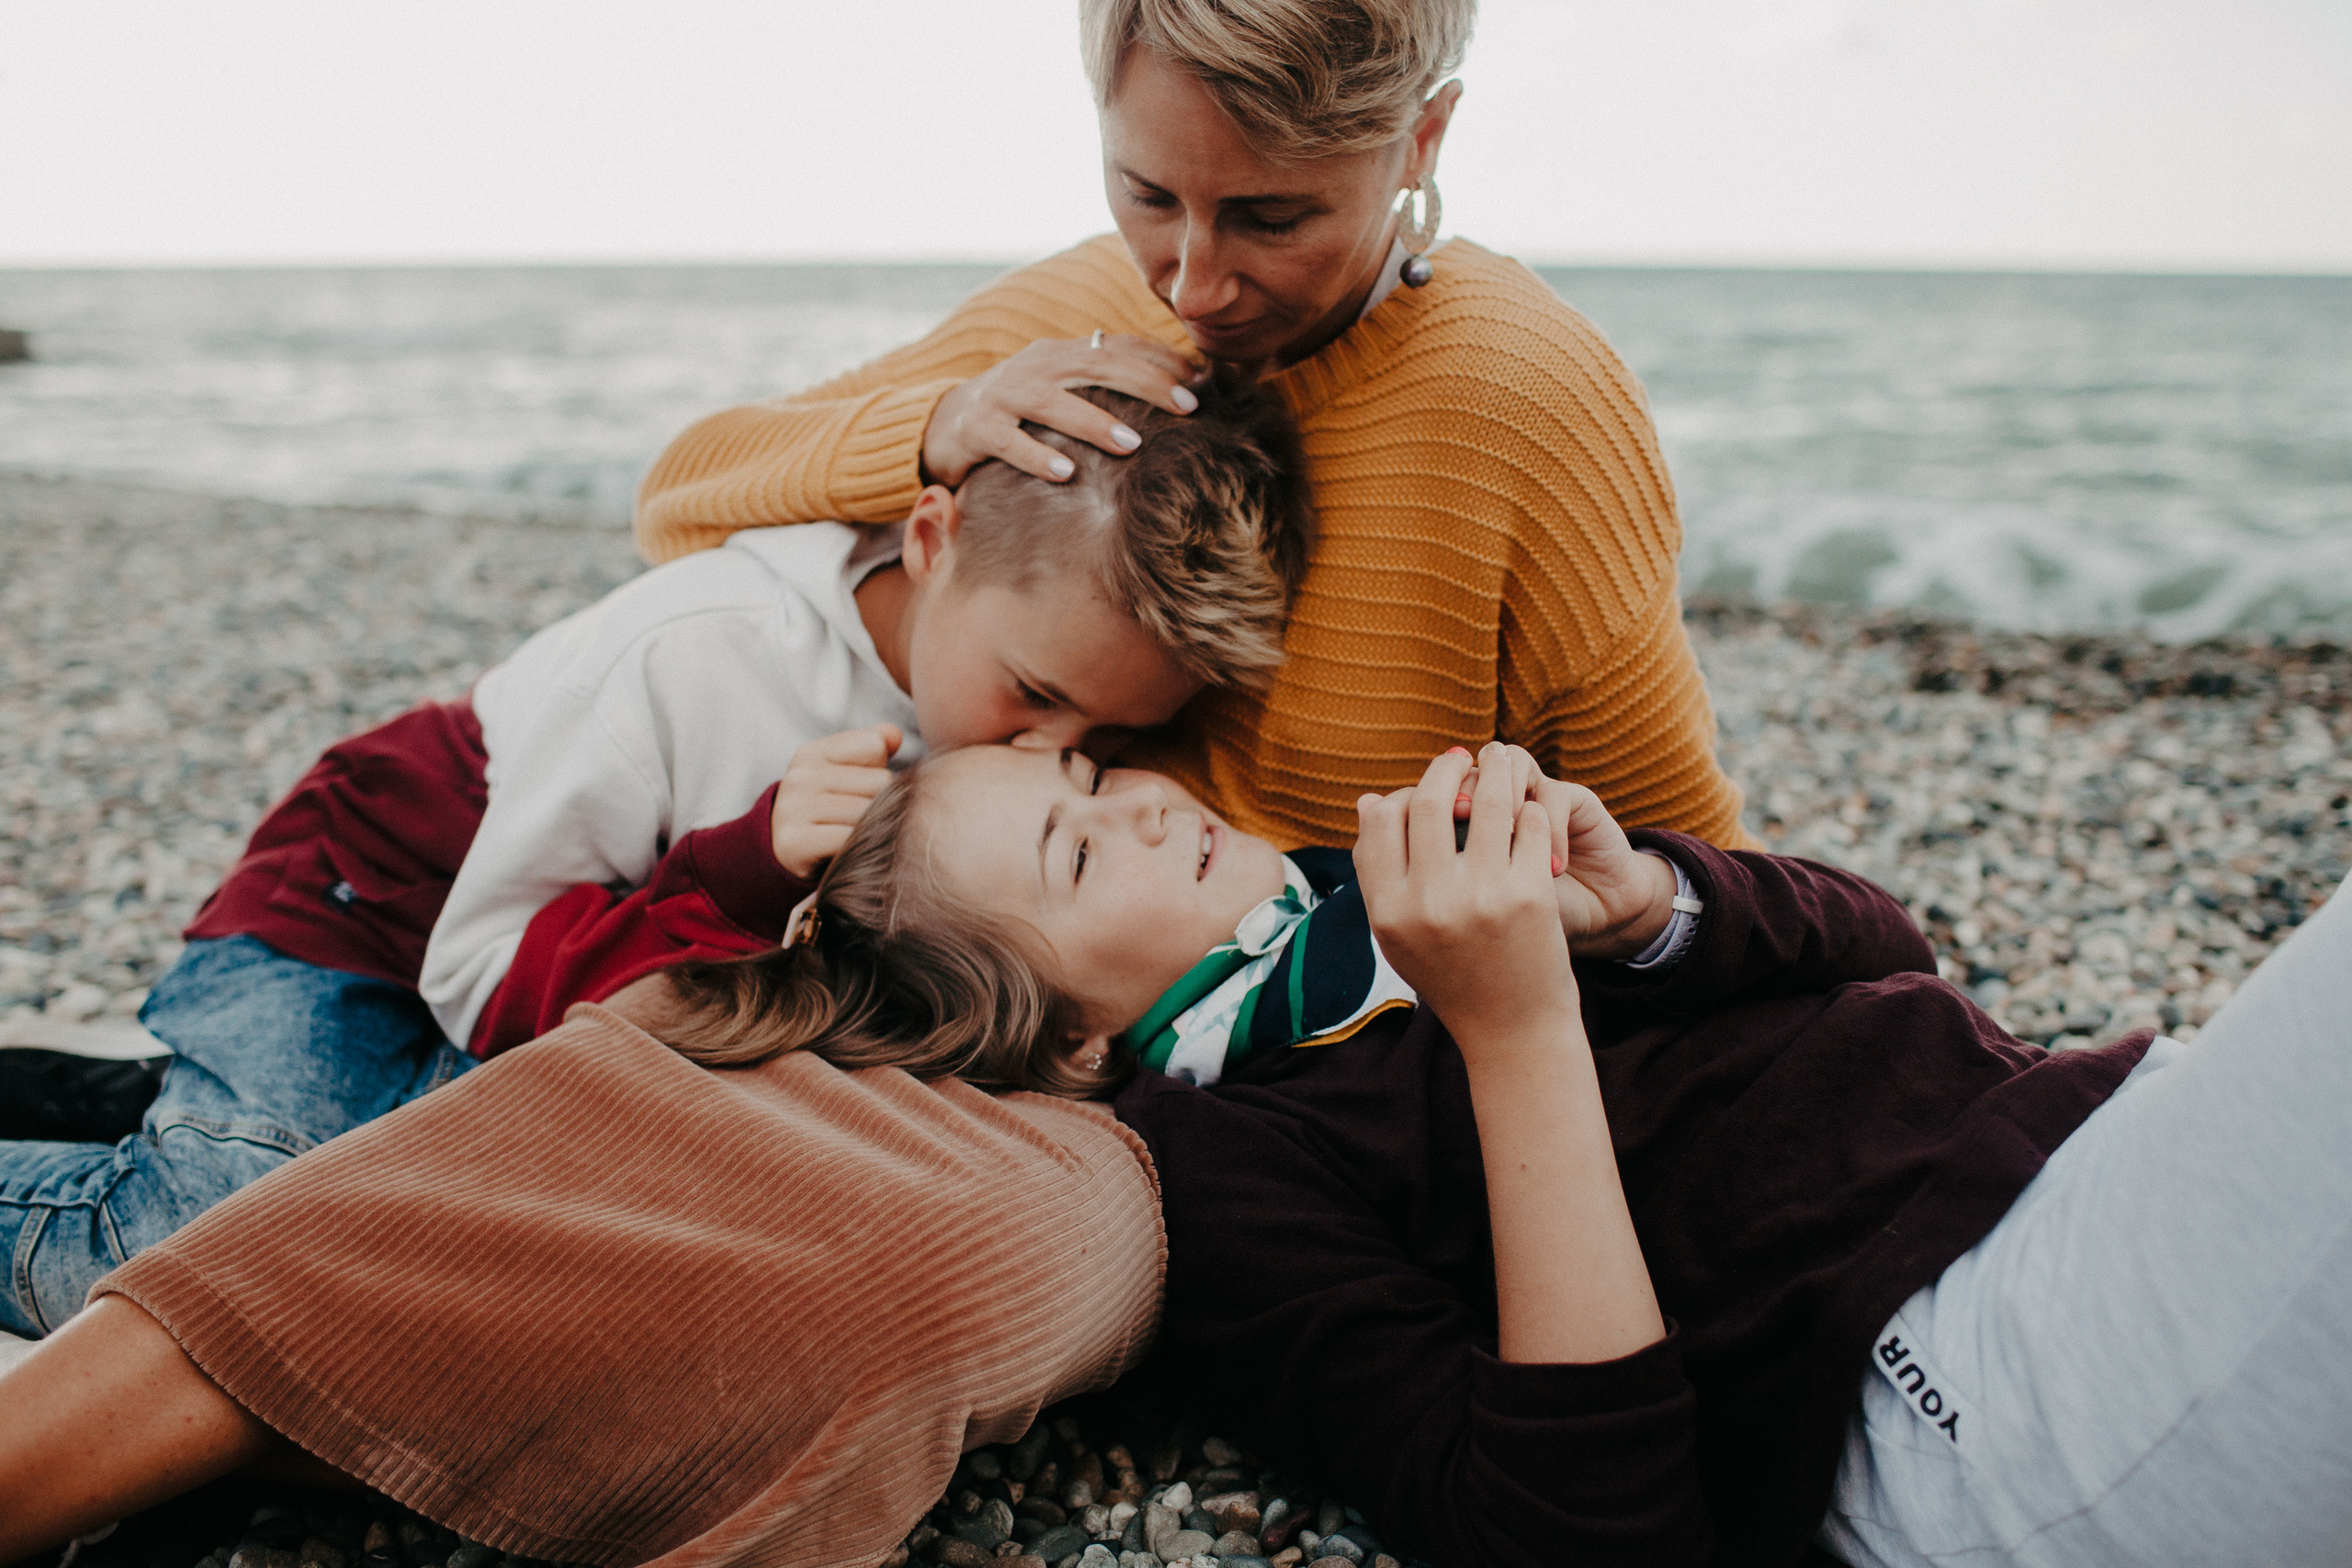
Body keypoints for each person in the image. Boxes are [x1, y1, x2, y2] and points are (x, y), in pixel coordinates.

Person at [0, 382, 1309, 1339]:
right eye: (1036, 694)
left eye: (1106, 743)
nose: (1049, 751)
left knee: (423, 1195)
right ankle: (167, 1128)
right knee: (214, 1236)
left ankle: (123, 1093)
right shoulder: (698, 658)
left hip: (558, 976)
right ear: (928, 539)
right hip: (364, 917)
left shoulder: (995, 672)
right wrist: (743, 868)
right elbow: (480, 975)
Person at [633, 0, 1759, 857]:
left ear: (1422, 137)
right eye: (1148, 195)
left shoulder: (1526, 401)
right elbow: (677, 505)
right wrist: (936, 422)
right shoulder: (1066, 321)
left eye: (1272, 217)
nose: (1190, 287)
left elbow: (1684, 857)